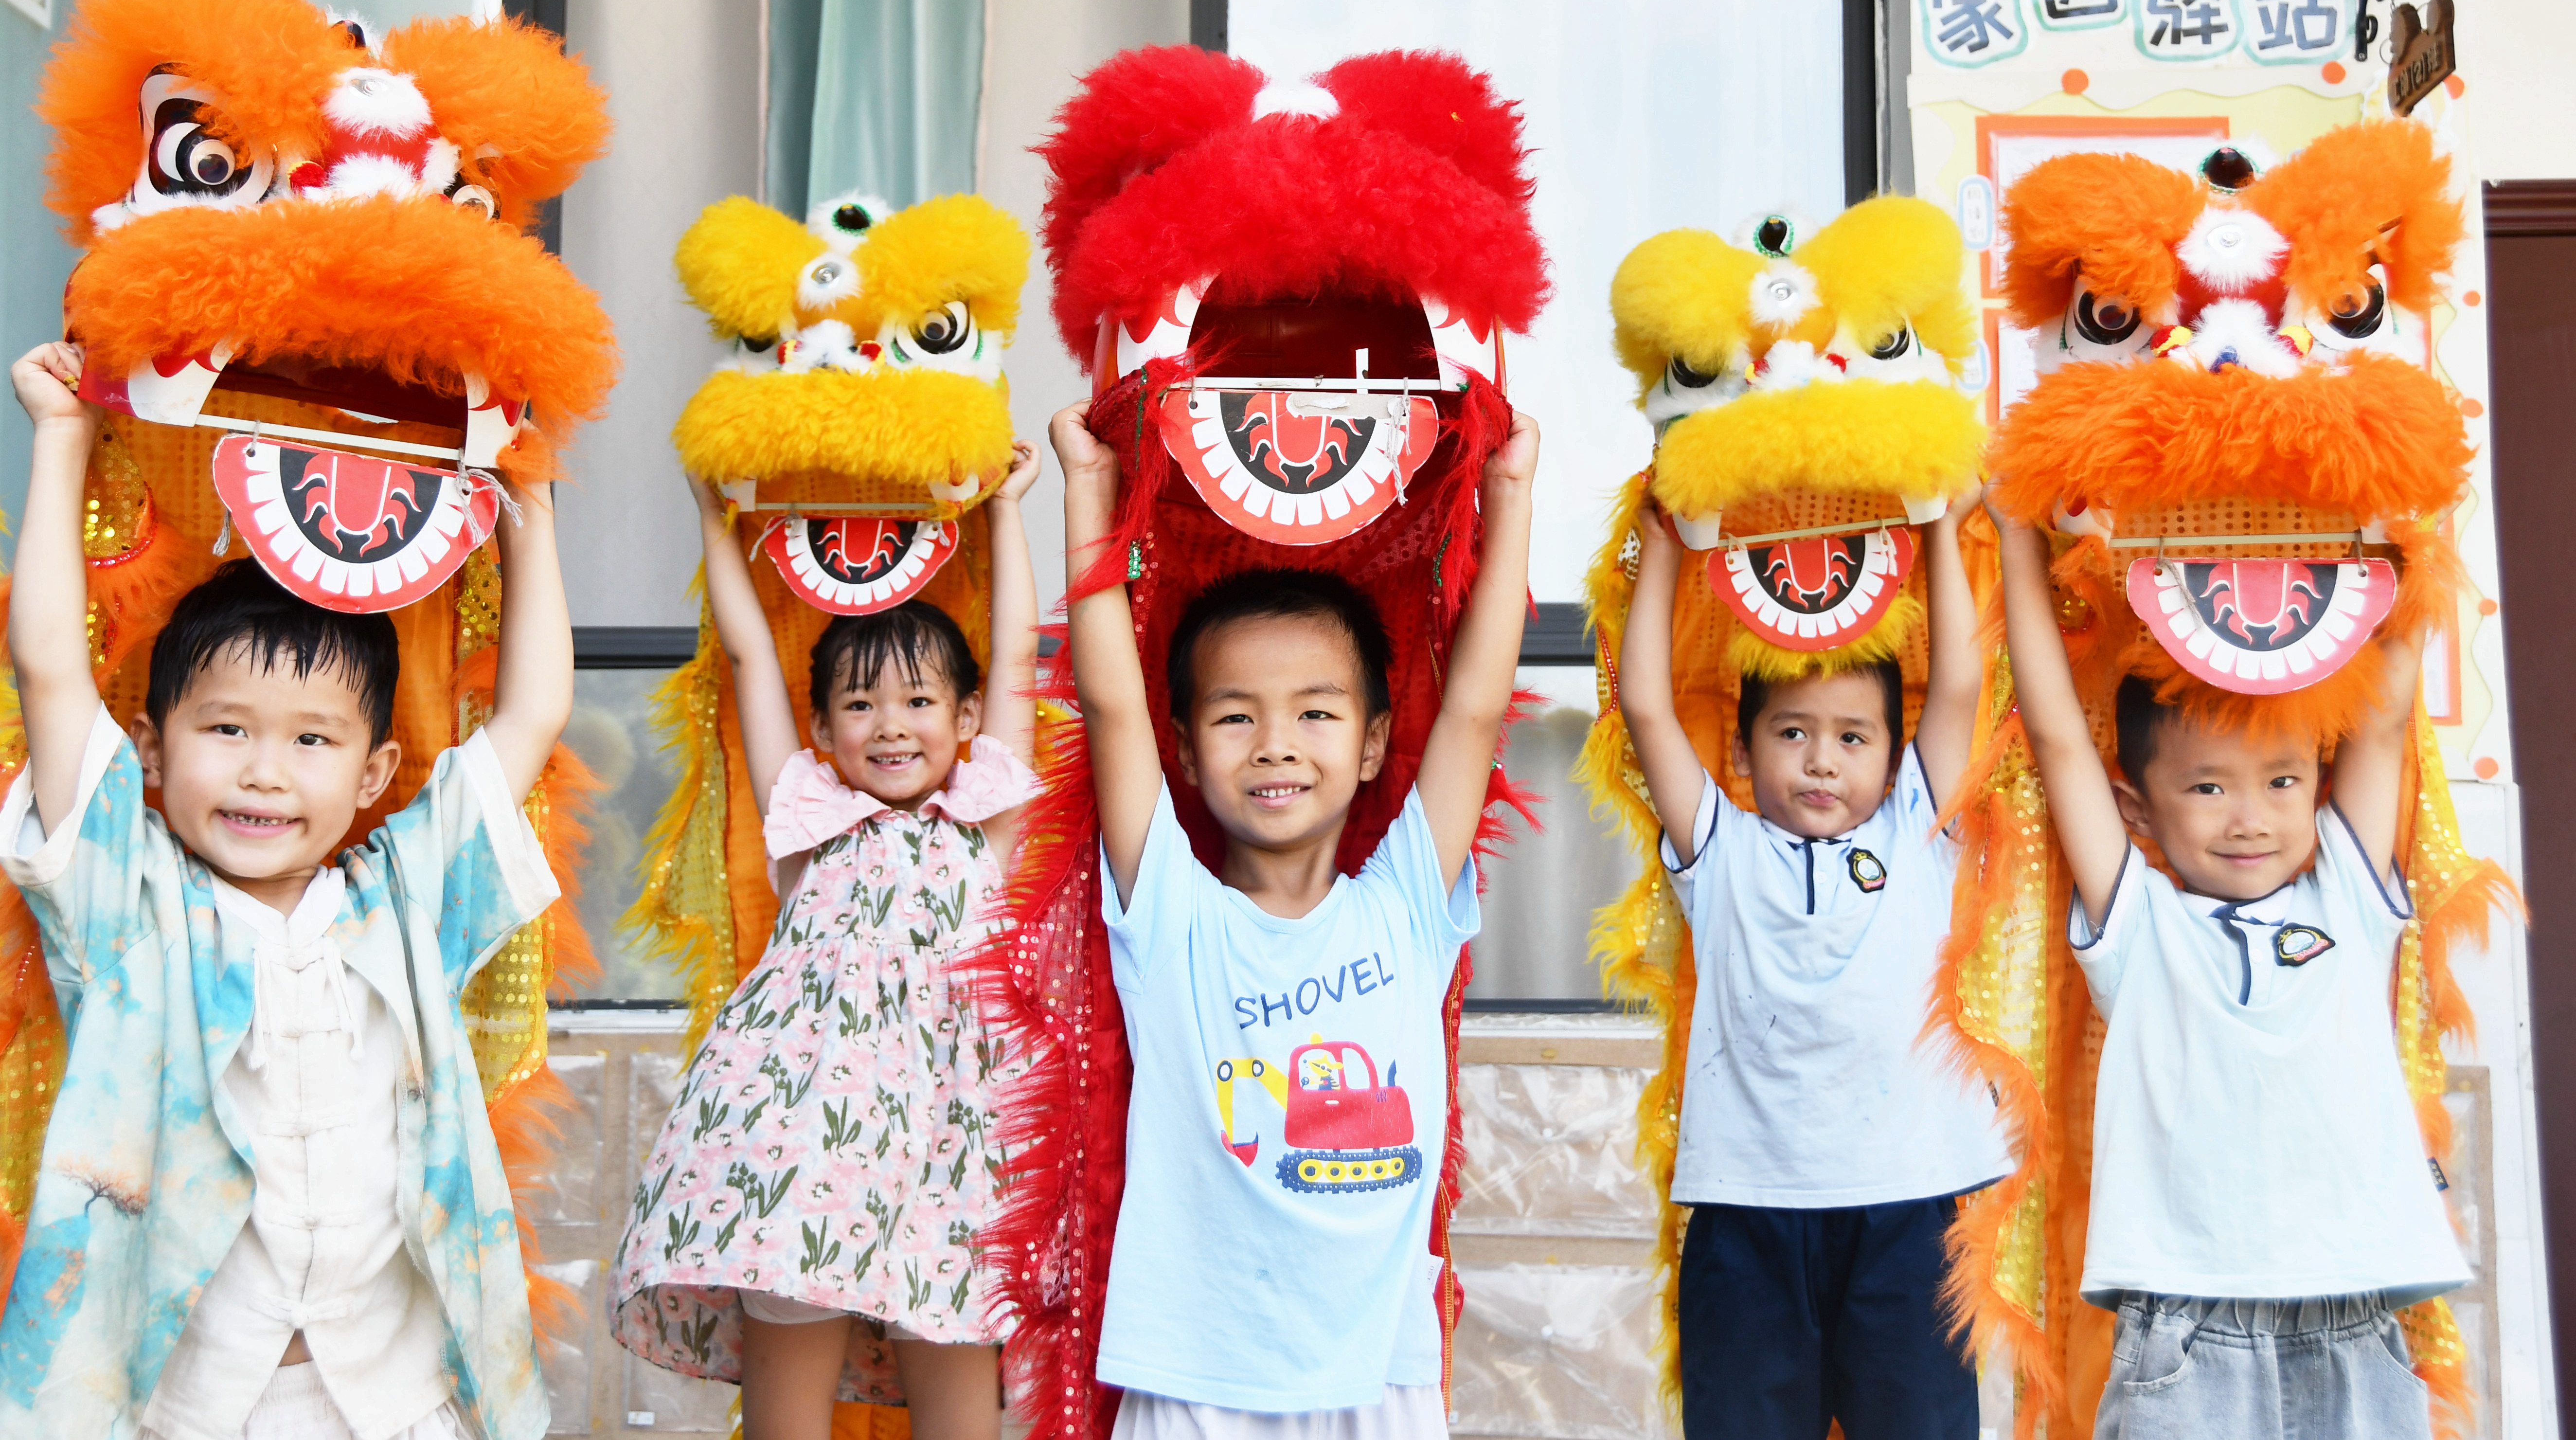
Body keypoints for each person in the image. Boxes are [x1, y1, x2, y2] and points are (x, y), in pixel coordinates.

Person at [0, 341, 572, 1440]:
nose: (265, 769)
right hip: (189, 1401)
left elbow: (532, 715)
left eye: (311, 739)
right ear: (150, 753)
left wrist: (531, 505)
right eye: (226, 730)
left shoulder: (406, 900)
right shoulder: (127, 905)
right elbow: (51, 673)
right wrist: (62, 435)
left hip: (396, 1400)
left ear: (371, 775)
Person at [1049, 396, 1537, 1440]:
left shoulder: (1406, 901)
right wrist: (1087, 496)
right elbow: (1111, 705)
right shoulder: (1172, 913)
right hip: (1195, 1374)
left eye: (1316, 711)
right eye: (1236, 716)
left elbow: (1477, 710)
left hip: (1377, 1372)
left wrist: (1511, 499)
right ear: (1186, 751)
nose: (1276, 743)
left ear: (1370, 743)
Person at [1993, 503, 2468, 1439]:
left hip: (2356, 1324)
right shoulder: (2141, 929)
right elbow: (2055, 737)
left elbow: (2381, 725)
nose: (2250, 817)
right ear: (2137, 809)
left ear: (2316, 788)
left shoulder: (2348, 903)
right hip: (2185, 1338)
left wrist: (2416, 538)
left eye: (2282, 782)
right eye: (2209, 787)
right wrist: (2014, 534)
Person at [608, 446, 1041, 1440]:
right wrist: (716, 525)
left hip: (950, 1152)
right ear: (823, 726)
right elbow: (752, 656)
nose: (891, 725)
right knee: (785, 1415)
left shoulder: (985, 824)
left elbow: (1016, 657)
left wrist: (1012, 511)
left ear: (966, 717)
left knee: (958, 1391)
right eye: (860, 703)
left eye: (920, 701)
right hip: (803, 1147)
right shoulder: (812, 820)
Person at [1615, 491, 2010, 1440]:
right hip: (1749, 1217)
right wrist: (1668, 544)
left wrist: (1935, 532)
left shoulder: (1920, 826)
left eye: (1852, 735)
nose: (1822, 759)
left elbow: (1958, 682)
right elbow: (1645, 705)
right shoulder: (1721, 848)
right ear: (1746, 752)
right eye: (1791, 731)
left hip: (1911, 1210)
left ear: (1889, 751)